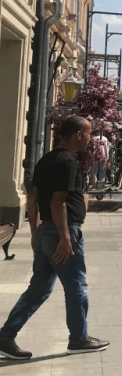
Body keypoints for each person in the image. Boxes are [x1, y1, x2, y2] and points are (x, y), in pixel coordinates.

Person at [0, 115, 109, 360]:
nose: (90, 139)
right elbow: (57, 202)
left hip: (45, 232)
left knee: (38, 290)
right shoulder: (68, 162)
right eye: (88, 134)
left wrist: (35, 234)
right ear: (77, 134)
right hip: (63, 231)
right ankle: (78, 339)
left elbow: (33, 199)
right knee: (76, 286)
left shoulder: (46, 159)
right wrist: (65, 238)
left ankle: (5, 336)